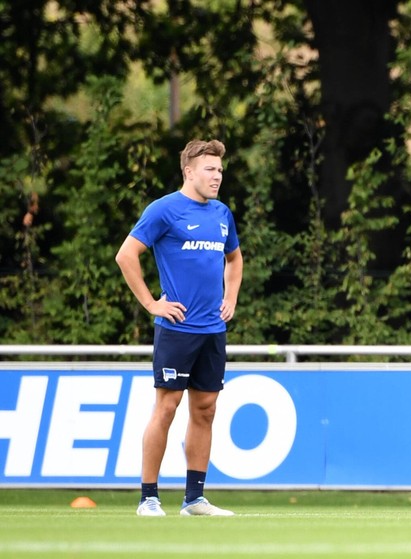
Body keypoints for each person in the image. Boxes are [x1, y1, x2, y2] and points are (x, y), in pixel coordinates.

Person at [116, 139, 243, 517]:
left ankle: (194, 499)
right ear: (189, 171)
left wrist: (231, 297)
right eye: (209, 169)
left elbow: (234, 260)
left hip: (212, 330)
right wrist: (151, 303)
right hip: (176, 329)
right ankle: (149, 497)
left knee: (205, 410)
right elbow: (126, 255)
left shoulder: (222, 214)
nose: (217, 176)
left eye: (220, 170)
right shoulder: (164, 210)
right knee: (167, 408)